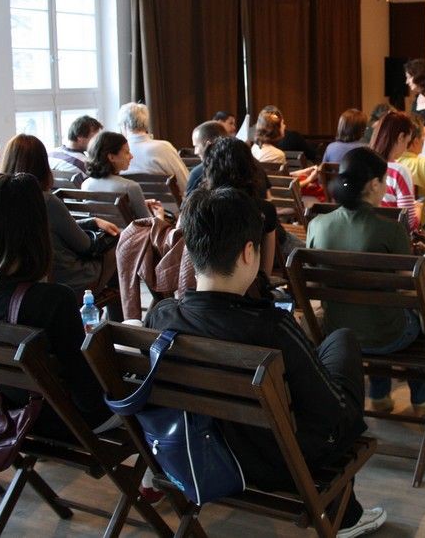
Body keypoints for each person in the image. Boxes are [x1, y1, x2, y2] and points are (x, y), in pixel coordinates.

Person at [145, 188, 386, 537]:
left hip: (206, 451)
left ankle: (346, 512)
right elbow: (330, 413)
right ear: (249, 253)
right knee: (342, 342)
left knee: (326, 354)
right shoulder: (271, 327)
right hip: (280, 464)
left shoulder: (162, 317)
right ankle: (345, 515)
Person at [0, 173, 113, 438]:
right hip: (62, 421)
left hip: (0, 411)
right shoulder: (53, 299)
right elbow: (89, 398)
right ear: (38, 230)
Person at [307, 146, 425, 416]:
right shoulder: (392, 230)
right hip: (388, 335)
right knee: (413, 317)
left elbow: (315, 282)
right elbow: (409, 290)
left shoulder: (317, 225)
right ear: (374, 184)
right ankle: (420, 401)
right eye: (384, 180)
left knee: (375, 310)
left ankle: (380, 395)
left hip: (337, 332)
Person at [1, 134, 121, 298]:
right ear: (42, 165)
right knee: (116, 246)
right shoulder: (47, 201)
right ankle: (120, 311)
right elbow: (84, 245)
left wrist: (91, 222)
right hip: (64, 283)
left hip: (19, 282)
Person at [200, 137, 276, 281]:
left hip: (205, 285)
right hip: (250, 287)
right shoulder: (265, 210)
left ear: (210, 169)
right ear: (249, 166)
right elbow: (266, 270)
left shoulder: (199, 207)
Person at [83, 130, 164, 222]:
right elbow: (148, 224)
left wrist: (141, 203)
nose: (131, 156)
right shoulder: (130, 187)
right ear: (111, 157)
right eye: (127, 152)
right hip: (129, 232)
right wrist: (159, 216)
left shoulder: (85, 184)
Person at [369, 111, 420, 231]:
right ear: (400, 137)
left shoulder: (363, 163)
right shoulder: (399, 171)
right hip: (391, 236)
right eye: (407, 142)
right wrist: (418, 210)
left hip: (365, 233)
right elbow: (408, 223)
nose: (406, 148)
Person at [117, 102, 189, 188]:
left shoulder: (117, 153)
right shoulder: (164, 148)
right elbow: (186, 183)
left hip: (132, 197)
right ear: (146, 123)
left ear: (124, 125)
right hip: (164, 197)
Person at [186, 121, 227, 196]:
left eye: (196, 146)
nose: (195, 152)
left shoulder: (197, 174)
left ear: (208, 145)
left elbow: (188, 203)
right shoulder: (243, 167)